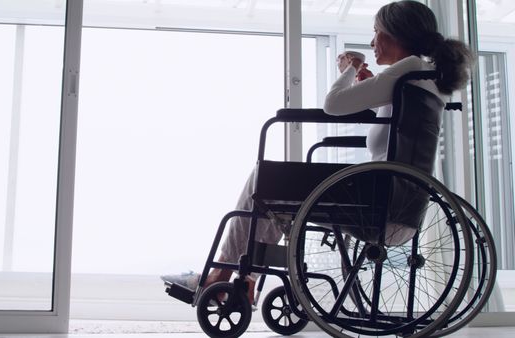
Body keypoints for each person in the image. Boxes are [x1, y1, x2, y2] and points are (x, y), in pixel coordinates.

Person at [162, 0, 474, 304]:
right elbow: (392, 116)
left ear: (396, 34)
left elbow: (333, 105)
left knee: (264, 179)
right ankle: (246, 280)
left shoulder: (408, 69)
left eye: (376, 31)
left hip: (380, 204)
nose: (372, 40)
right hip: (398, 207)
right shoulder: (422, 78)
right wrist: (371, 84)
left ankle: (218, 276)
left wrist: (349, 68)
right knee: (277, 201)